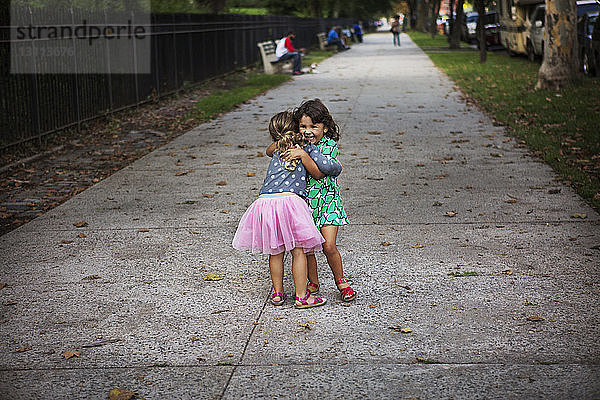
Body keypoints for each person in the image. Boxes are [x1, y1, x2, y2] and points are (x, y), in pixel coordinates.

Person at [233, 111, 342, 308]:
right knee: (298, 250)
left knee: (275, 251)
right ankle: (301, 296)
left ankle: (277, 294)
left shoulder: (276, 148)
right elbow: (323, 171)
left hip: (265, 202)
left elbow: (268, 150)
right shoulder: (303, 147)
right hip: (290, 202)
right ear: (295, 129)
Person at [284, 99, 356, 303]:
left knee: (329, 246)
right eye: (303, 126)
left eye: (314, 126)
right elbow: (270, 151)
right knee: (307, 250)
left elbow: (320, 172)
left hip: (328, 202)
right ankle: (313, 282)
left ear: (325, 127)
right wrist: (290, 142)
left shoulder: (329, 146)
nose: (308, 131)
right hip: (305, 205)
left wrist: (305, 153)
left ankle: (341, 281)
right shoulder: (296, 145)